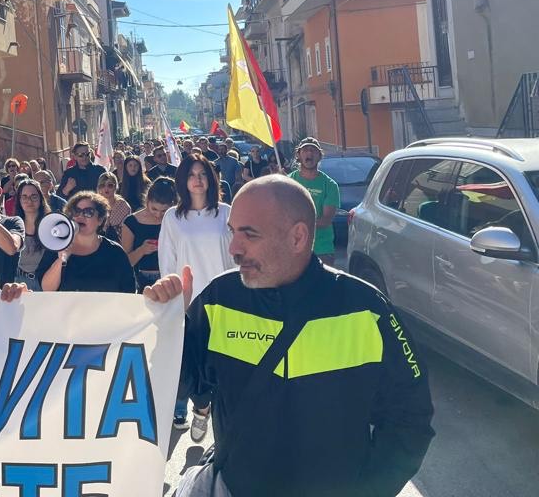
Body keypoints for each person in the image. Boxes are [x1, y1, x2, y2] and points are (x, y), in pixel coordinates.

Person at [148, 176, 434, 497]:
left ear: (298, 237)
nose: (234, 248)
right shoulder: (219, 298)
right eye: (232, 231)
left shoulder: (367, 309)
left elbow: (410, 419)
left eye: (249, 234)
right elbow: (180, 385)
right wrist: (168, 326)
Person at [159, 152, 232, 439]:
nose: (197, 180)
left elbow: (237, 254)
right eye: (191, 174)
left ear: (211, 179)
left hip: (224, 301)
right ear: (183, 181)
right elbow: (167, 261)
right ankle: (201, 407)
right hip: (190, 303)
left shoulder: (225, 212)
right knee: (194, 362)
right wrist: (172, 299)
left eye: (202, 174)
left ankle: (225, 427)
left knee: (225, 363)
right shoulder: (173, 218)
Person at [37, 192, 136, 293]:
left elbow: (129, 290)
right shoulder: (57, 245)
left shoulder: (115, 252)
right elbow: (47, 289)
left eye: (88, 212)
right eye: (76, 211)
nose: (80, 216)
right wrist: (60, 260)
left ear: (100, 220)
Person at [288, 137, 340, 266]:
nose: (309, 153)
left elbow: (326, 220)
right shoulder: (288, 182)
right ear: (298, 155)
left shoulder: (330, 185)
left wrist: (298, 225)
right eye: (305, 150)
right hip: (293, 248)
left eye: (313, 150)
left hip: (322, 249)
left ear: (319, 156)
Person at [120, 177, 176, 292]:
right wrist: (142, 250)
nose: (158, 215)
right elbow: (125, 263)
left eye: (164, 211)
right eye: (154, 209)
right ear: (147, 201)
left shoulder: (175, 221)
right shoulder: (131, 222)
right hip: (142, 281)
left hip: (171, 278)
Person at [13, 179, 50, 291]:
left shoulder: (50, 225)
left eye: (34, 196)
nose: (29, 201)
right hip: (18, 281)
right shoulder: (13, 225)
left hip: (44, 282)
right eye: (24, 197)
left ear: (40, 199)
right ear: (19, 200)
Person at [97, 172, 132, 241]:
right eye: (102, 185)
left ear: (116, 187)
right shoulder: (95, 204)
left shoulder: (123, 205)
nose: (106, 188)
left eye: (110, 185)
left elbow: (128, 230)